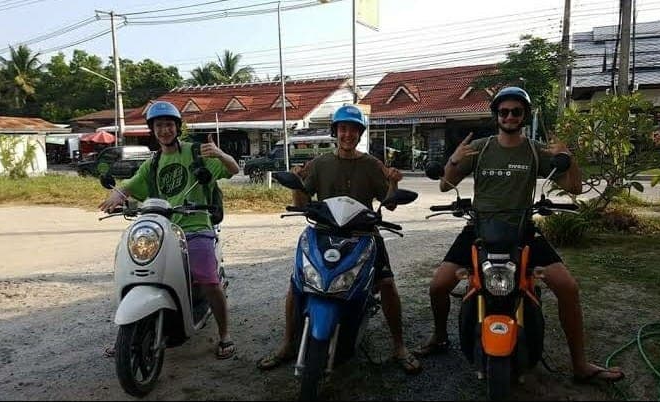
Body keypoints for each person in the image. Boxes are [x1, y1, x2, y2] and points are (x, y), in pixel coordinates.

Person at [413, 87, 625, 384]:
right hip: (479, 229)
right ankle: (439, 337)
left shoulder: (535, 150)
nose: (510, 116)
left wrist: (568, 157)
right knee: (438, 285)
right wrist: (454, 159)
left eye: (516, 111)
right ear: (496, 115)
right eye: (504, 112)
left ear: (524, 116)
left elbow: (575, 188)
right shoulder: (482, 148)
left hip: (523, 230)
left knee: (568, 287)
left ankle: (580, 363)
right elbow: (446, 185)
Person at [256, 104, 422, 375]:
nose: (347, 134)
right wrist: (297, 184)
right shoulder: (320, 164)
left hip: (364, 234)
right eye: (343, 129)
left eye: (353, 130)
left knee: (388, 284)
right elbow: (303, 202)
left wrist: (393, 182)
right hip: (323, 233)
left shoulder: (371, 164)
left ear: (359, 134)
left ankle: (399, 346)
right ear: (336, 132)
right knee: (297, 284)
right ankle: (287, 343)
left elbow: (388, 205)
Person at [98, 101, 240, 360]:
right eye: (159, 125)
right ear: (153, 130)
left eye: (169, 124)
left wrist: (220, 154)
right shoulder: (152, 163)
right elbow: (130, 185)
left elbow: (234, 169)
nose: (164, 130)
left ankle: (224, 334)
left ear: (177, 128)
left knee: (207, 278)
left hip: (196, 226)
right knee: (136, 270)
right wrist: (116, 195)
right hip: (163, 228)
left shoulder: (196, 153)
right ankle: (128, 332)